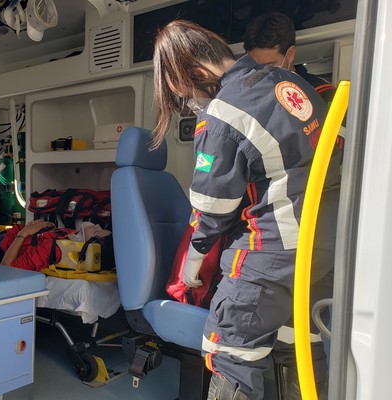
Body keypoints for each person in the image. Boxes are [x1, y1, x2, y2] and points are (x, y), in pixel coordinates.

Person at [152, 20, 341, 400]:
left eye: (185, 95)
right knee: (296, 345)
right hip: (321, 248)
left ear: (197, 72)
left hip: (269, 253)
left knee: (228, 350)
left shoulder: (223, 113)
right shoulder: (292, 83)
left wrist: (193, 259)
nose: (191, 105)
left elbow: (213, 208)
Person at [0, 219, 110, 271]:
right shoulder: (70, 237)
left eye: (96, 231)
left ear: (90, 244)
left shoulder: (53, 251)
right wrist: (48, 227)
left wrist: (24, 234)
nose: (96, 225)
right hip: (3, 236)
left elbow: (6, 268)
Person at [242, 12, 336, 106]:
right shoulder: (246, 93)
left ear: (290, 54)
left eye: (269, 65)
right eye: (254, 66)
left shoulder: (320, 92)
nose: (261, 72)